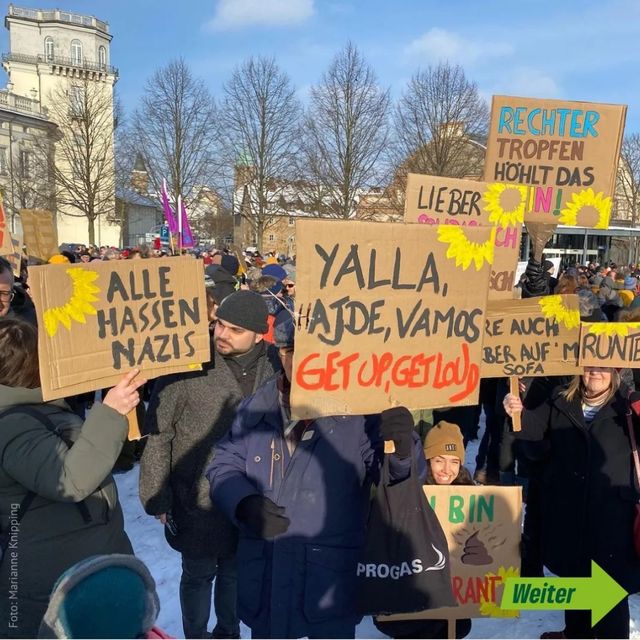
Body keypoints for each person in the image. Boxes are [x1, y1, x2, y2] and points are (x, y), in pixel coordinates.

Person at [207, 314, 425, 639]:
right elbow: (223, 463)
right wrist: (243, 502)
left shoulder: (361, 414)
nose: (301, 359)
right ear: (281, 354)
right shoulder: (257, 405)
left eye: (313, 350)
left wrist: (404, 447)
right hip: (265, 578)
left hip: (328, 586)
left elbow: (400, 479)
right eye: (292, 349)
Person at [139, 290, 281, 640]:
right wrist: (157, 496)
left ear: (258, 334)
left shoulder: (276, 365)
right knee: (198, 573)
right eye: (219, 324)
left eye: (234, 329)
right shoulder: (189, 362)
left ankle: (228, 632)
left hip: (251, 494)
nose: (221, 334)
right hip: (195, 496)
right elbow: (159, 433)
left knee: (235, 571)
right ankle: (197, 635)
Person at [0, 317, 144, 638]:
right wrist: (110, 413)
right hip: (52, 586)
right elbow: (71, 479)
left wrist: (115, 411)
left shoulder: (42, 409)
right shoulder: (10, 424)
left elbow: (103, 461)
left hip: (82, 571)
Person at [503, 367, 640, 639]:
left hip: (612, 522)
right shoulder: (559, 399)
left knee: (608, 599)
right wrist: (515, 411)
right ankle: (575, 633)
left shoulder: (628, 404)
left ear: (615, 370)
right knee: (576, 585)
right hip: (568, 515)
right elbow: (533, 432)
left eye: (603, 366)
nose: (595, 372)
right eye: (589, 365)